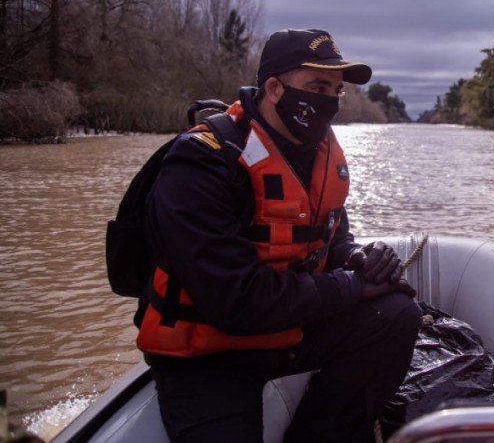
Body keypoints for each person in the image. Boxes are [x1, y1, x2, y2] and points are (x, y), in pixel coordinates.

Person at [135, 28, 422, 442]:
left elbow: (331, 238)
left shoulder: (318, 152)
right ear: (273, 88)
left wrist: (357, 255)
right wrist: (351, 286)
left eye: (336, 91)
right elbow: (235, 301)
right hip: (209, 355)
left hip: (287, 331)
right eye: (317, 87)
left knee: (397, 315)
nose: (329, 101)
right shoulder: (202, 162)